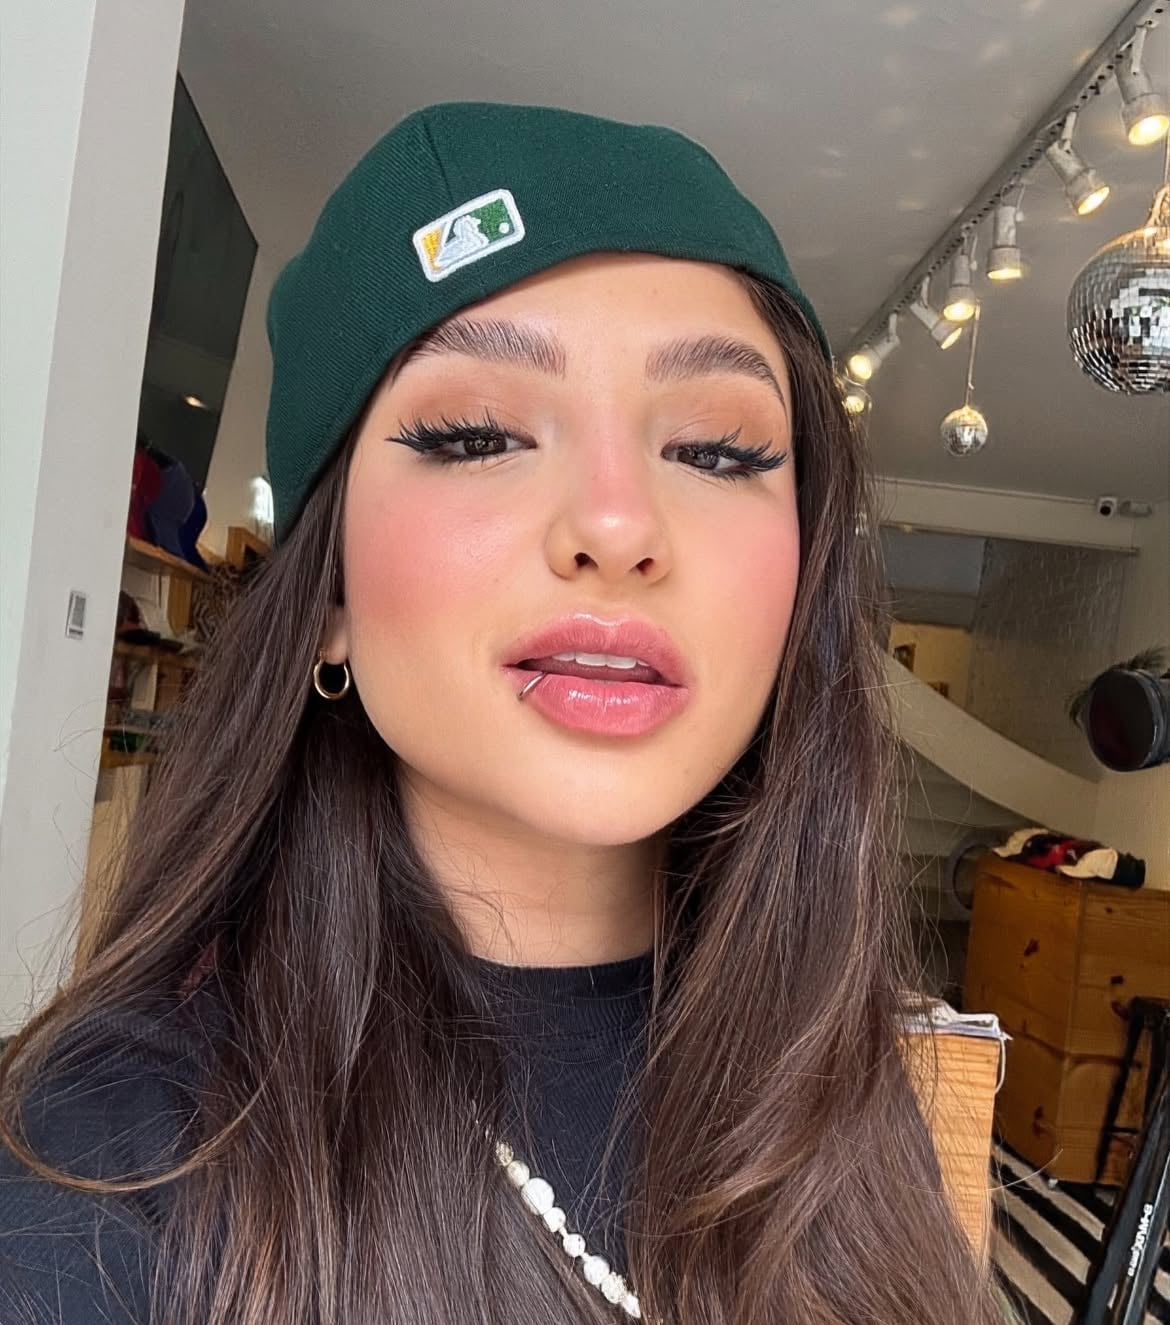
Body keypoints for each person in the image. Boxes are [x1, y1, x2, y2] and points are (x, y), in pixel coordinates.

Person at [0, 102, 1002, 1324]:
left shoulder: (833, 1083)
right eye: (478, 435)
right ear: (328, 595)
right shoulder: (103, 1170)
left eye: (718, 451)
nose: (619, 525)